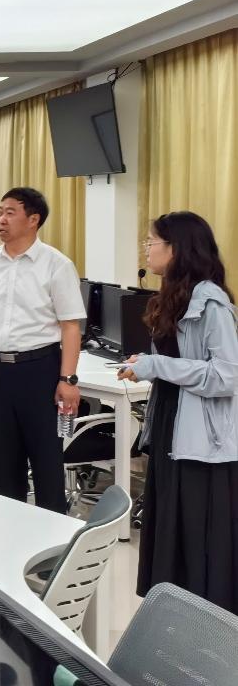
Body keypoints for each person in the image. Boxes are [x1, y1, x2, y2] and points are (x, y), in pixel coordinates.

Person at [117, 211, 238, 612]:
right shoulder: (174, 296)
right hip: (171, 421)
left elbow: (226, 376)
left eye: (151, 242)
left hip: (200, 435)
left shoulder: (211, 302)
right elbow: (178, 361)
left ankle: (205, 621)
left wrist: (157, 366)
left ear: (177, 248)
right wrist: (147, 365)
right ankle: (174, 613)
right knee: (171, 525)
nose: (146, 248)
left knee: (195, 533)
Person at [0, 187, 85, 514]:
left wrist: (68, 379)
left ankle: (53, 533)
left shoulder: (56, 265)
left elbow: (70, 326)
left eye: (10, 213)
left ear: (33, 220)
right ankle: (9, 527)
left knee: (46, 459)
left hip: (39, 370)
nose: (1, 220)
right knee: (2, 460)